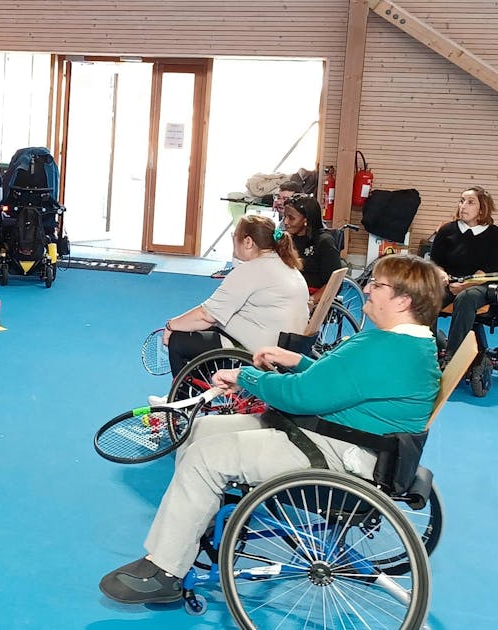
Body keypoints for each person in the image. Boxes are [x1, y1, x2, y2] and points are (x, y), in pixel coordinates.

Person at [100, 253, 444, 605]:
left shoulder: (384, 347)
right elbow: (344, 383)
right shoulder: (410, 345)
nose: (368, 290)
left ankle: (166, 568)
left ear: (403, 300)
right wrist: (297, 361)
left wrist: (245, 376)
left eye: (378, 285)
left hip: (335, 451)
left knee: (206, 456)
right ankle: (189, 527)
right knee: (203, 430)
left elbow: (300, 397)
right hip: (346, 439)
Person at [160, 214, 309, 379]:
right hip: (290, 346)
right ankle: (196, 390)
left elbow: (206, 315)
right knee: (208, 330)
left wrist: (171, 325)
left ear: (248, 242)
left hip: (262, 349)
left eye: (235, 237)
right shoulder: (287, 265)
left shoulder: (251, 270)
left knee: (179, 340)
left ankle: (182, 399)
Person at [428, 185, 498, 360]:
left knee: (465, 298)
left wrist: (466, 284)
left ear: (482, 209)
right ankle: (427, 350)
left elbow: (489, 269)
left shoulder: (494, 235)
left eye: (470, 202)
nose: (463, 206)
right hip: (449, 282)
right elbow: (435, 261)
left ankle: (453, 357)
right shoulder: (447, 230)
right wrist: (441, 274)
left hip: (480, 284)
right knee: (428, 296)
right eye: (461, 201)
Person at [281, 193, 344, 305]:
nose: (286, 222)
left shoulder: (324, 242)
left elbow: (334, 282)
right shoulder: (287, 238)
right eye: (284, 216)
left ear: (306, 220)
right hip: (287, 291)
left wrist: (312, 300)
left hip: (309, 295)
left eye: (291, 218)